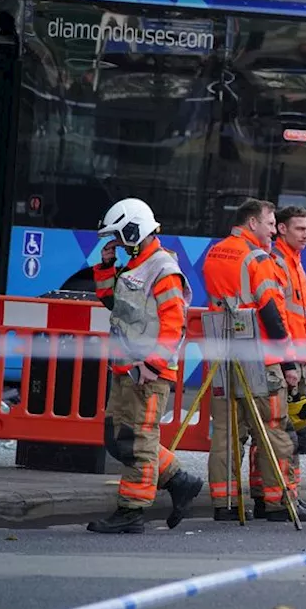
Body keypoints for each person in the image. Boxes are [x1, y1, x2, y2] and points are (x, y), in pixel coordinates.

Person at [88, 198, 204, 534]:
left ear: (134, 228)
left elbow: (174, 325)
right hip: (126, 368)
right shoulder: (138, 264)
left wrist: (153, 364)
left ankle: (131, 511)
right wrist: (107, 265)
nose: (120, 244)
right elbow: (114, 303)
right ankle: (180, 481)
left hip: (148, 373)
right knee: (118, 439)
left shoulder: (163, 270)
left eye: (121, 237)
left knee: (138, 442)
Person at [200, 198, 306, 524]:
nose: (272, 231)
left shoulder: (216, 252)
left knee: (225, 432)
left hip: (222, 352)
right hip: (259, 358)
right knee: (273, 429)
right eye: (269, 224)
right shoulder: (258, 259)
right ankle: (279, 502)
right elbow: (271, 313)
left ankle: (224, 503)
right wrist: (289, 362)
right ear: (252, 223)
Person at [256, 205, 306, 520]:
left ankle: (266, 495)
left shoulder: (293, 263)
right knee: (290, 432)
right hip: (289, 361)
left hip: (296, 358)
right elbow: (278, 317)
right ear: (282, 229)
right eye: (300, 228)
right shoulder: (279, 263)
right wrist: (290, 362)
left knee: (278, 430)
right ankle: (285, 498)